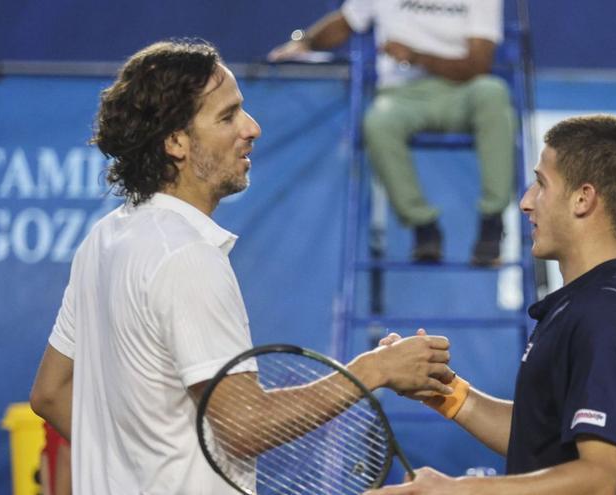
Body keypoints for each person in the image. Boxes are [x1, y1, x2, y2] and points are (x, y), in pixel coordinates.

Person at [29, 39, 456, 495]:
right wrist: (375, 370)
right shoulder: (185, 257)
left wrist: (136, 468)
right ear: (175, 141)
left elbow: (51, 394)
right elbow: (244, 427)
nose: (252, 128)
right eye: (227, 116)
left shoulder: (106, 237)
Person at [368, 115, 616, 494]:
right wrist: (447, 393)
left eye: (541, 184)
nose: (526, 202)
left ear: (583, 198)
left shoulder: (604, 314)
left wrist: (456, 490)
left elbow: (599, 479)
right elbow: (543, 436)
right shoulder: (613, 297)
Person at [268, 0, 516, 266]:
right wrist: (304, 43)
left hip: (464, 92)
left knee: (493, 93)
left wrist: (417, 57)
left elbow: (478, 65)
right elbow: (346, 21)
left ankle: (492, 220)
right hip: (401, 96)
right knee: (378, 122)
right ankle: (423, 225)